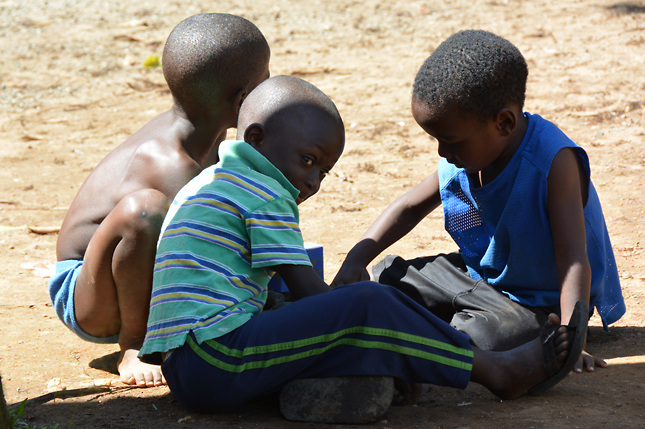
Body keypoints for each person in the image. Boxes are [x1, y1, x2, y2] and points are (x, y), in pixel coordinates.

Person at [138, 75, 587, 414]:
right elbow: (312, 296)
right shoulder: (264, 193)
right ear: (256, 138)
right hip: (216, 358)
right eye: (308, 160)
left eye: (324, 171)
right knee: (369, 304)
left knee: (369, 306)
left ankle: (402, 361)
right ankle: (496, 371)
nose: (313, 181)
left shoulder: (217, 180)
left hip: (192, 363)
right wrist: (361, 308)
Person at [332, 30, 625, 373]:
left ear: (504, 122)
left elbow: (573, 258)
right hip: (485, 280)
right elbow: (409, 207)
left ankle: (440, 335)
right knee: (387, 276)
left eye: (450, 141)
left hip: (540, 302)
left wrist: (573, 338)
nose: (443, 152)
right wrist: (356, 259)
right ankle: (440, 328)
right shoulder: (467, 156)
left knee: (483, 336)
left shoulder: (553, 161)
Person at [48, 13, 271, 388]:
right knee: (145, 211)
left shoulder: (209, 135)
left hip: (131, 273)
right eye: (265, 80)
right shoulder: (169, 163)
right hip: (89, 292)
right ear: (242, 100)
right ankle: (135, 344)